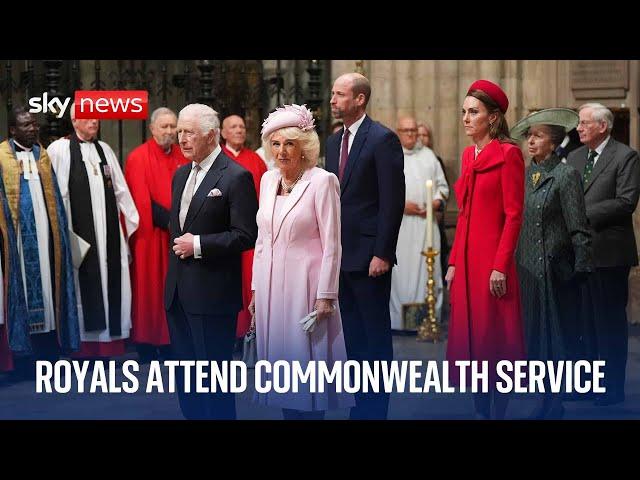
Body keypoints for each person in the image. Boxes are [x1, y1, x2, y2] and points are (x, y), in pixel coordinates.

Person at [250, 104, 354, 419]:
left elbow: (332, 243)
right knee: (282, 374)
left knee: (307, 371)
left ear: (304, 146)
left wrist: (326, 295)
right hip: (271, 290)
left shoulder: (322, 181)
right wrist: (255, 289)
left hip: (305, 289)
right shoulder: (268, 181)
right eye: (276, 144)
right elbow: (261, 239)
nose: (282, 151)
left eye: (290, 143)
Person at [164, 104, 258, 420]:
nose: (182, 139)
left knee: (214, 386)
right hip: (178, 295)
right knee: (187, 384)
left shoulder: (236, 176)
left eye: (189, 132)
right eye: (179, 132)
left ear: (211, 135)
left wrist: (200, 245)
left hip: (213, 296)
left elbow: (246, 235)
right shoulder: (179, 175)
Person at [325, 73, 405, 419]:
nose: (332, 100)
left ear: (359, 99)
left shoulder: (382, 139)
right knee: (352, 340)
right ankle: (358, 406)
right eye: (332, 93)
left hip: (370, 257)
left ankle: (375, 411)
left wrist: (383, 252)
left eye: (340, 95)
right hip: (340, 257)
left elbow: (392, 201)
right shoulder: (331, 143)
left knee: (374, 339)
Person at [445, 79, 525, 420]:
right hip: (465, 260)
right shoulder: (467, 155)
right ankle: (481, 406)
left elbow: (514, 215)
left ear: (493, 118)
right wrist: (451, 262)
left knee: (496, 336)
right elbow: (463, 213)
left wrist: (500, 265)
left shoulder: (509, 155)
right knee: (471, 335)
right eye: (463, 111)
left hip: (493, 261)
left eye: (473, 112)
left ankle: (499, 408)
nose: (465, 118)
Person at [511, 108, 593, 419]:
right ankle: (540, 395)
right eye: (529, 136)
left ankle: (553, 400)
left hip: (555, 272)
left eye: (538, 136)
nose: (530, 141)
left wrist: (581, 269)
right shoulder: (522, 175)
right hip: (526, 269)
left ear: (554, 142)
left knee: (554, 340)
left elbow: (578, 226)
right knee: (531, 337)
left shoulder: (565, 175)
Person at [48, 105, 139, 359]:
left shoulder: (105, 150)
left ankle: (109, 349)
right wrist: (63, 236)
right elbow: (57, 195)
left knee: (112, 285)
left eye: (96, 117)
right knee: (83, 287)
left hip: (109, 234)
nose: (94, 121)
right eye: (87, 117)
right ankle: (85, 352)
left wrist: (130, 226)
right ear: (74, 120)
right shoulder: (61, 150)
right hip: (80, 235)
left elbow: (121, 190)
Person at [567, 103, 640, 407]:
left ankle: (611, 387)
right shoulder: (574, 157)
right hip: (577, 254)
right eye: (579, 123)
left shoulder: (625, 157)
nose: (579, 128)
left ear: (603, 126)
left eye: (585, 123)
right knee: (582, 324)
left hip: (609, 253)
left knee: (608, 324)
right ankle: (586, 383)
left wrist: (579, 213)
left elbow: (625, 201)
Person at [0, 107, 79, 379]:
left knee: (48, 288)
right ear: (13, 130)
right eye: (26, 125)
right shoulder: (2, 156)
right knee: (22, 288)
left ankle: (49, 353)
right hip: (18, 241)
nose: (33, 128)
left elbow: (54, 197)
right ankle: (23, 358)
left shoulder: (42, 155)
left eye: (34, 123)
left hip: (46, 238)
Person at [125, 107, 189, 363]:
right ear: (152, 129)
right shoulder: (138, 157)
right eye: (164, 127)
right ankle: (147, 341)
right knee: (150, 289)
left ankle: (172, 340)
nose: (170, 132)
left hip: (179, 234)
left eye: (174, 127)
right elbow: (141, 201)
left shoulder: (183, 156)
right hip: (151, 236)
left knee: (177, 290)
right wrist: (172, 222)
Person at [390, 116, 448, 330]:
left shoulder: (429, 156)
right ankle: (399, 322)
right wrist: (401, 205)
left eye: (413, 130)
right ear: (398, 131)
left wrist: (437, 200)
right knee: (401, 276)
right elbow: (380, 191)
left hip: (426, 227)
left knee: (427, 272)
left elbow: (442, 187)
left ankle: (427, 320)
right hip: (401, 228)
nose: (411, 134)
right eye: (406, 130)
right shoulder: (391, 156)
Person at [220, 114, 268, 340]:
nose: (239, 130)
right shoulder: (217, 157)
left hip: (252, 230)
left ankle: (251, 332)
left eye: (241, 126)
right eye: (233, 127)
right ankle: (231, 332)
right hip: (224, 230)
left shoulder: (256, 160)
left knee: (251, 280)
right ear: (223, 132)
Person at [417, 122, 450, 281]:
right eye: (419, 134)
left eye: (425, 135)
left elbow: (443, 189)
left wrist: (435, 204)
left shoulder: (434, 160)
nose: (421, 138)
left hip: (432, 220)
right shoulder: (403, 157)